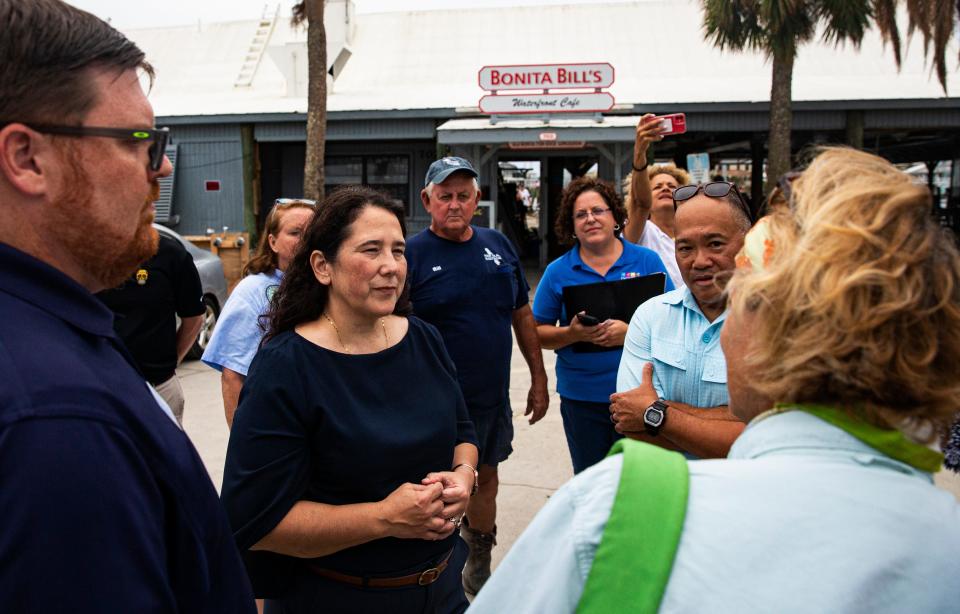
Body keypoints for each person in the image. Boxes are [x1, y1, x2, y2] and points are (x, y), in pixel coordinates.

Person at [470, 146, 960, 614]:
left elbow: (644, 416)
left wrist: (658, 413)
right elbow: (626, 412)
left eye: (745, 293)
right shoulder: (945, 540)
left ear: (776, 329)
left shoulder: (612, 513)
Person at [0, 1, 254, 610]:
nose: (163, 164)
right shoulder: (58, 420)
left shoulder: (48, 340)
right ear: (27, 158)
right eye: (141, 138)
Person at [221, 186, 479, 614]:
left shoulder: (424, 338)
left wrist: (464, 475)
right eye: (371, 250)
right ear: (322, 266)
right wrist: (384, 517)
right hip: (337, 597)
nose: (391, 267)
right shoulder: (286, 366)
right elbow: (255, 521)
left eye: (398, 250)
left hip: (444, 592)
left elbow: (463, 431)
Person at [406, 156, 549, 595]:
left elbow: (521, 315)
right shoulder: (410, 253)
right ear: (427, 200)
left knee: (486, 480)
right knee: (431, 486)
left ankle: (478, 559)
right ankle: (432, 566)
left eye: (463, 196)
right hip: (428, 402)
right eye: (444, 196)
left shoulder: (498, 245)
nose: (454, 204)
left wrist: (539, 378)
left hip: (488, 399)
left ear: (477, 200)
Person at [532, 176, 673, 474]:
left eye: (598, 211)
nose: (590, 219)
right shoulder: (558, 272)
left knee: (639, 481)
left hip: (643, 395)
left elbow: (676, 322)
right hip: (582, 399)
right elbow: (537, 332)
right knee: (591, 481)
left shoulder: (647, 262)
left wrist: (630, 334)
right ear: (571, 225)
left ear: (615, 216)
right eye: (580, 214)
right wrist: (571, 333)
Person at [610, 180, 752, 459]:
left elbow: (762, 438)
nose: (699, 261)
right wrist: (730, 422)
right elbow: (630, 423)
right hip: (665, 491)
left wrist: (655, 413)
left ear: (748, 242)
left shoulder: (778, 323)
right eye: (685, 248)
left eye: (715, 244)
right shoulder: (650, 317)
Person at [202, 197, 314, 427]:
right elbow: (233, 375)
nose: (306, 240)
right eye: (295, 232)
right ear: (273, 242)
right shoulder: (253, 290)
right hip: (274, 423)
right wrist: (241, 445)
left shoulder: (327, 285)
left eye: (312, 232)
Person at [97, 231, 205, 425]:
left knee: (165, 454)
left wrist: (170, 363)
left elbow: (194, 317)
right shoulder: (89, 253)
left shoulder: (170, 254)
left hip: (160, 388)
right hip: (102, 389)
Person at [622, 115, 689, 289]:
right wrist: (639, 152)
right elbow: (639, 204)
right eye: (657, 187)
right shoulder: (641, 230)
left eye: (672, 186)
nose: (665, 189)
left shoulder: (694, 230)